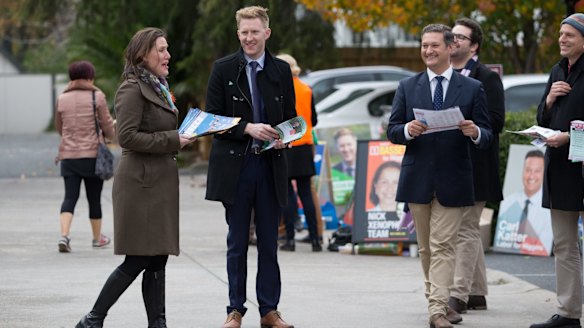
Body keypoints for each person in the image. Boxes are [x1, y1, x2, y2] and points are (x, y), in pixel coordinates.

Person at [75, 27, 196, 328]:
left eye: (168, 49)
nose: (168, 55)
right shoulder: (132, 88)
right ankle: (92, 320)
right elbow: (126, 137)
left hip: (159, 182)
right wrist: (174, 139)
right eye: (162, 50)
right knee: (139, 258)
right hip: (141, 184)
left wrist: (179, 137)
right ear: (143, 54)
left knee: (158, 258)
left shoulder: (158, 87)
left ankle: (158, 323)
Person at [386, 23, 492, 328]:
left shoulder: (472, 88)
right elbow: (392, 130)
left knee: (444, 245)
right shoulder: (408, 86)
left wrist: (474, 132)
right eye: (424, 46)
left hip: (453, 178)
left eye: (434, 45)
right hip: (417, 178)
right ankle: (441, 301)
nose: (428, 51)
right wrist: (407, 129)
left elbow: (487, 135)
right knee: (426, 248)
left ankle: (436, 310)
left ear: (450, 48)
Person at [204, 6, 296, 328]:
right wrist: (246, 128)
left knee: (269, 242)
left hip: (270, 165)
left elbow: (291, 118)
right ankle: (235, 310)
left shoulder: (282, 70)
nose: (249, 38)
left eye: (255, 32)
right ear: (238, 33)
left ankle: (269, 310)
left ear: (266, 33)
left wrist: (286, 136)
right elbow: (211, 119)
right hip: (236, 167)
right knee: (237, 242)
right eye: (244, 32)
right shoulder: (224, 68)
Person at [447, 17, 505, 314]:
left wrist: (464, 123)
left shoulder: (486, 77)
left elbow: (496, 122)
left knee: (466, 230)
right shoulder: (442, 75)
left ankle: (457, 295)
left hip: (477, 166)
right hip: (449, 165)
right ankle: (478, 293)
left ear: (474, 46)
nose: (453, 40)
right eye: (451, 35)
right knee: (464, 229)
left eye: (460, 37)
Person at [529, 13, 584, 328]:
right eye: (561, 34)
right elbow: (542, 118)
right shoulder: (557, 71)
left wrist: (573, 137)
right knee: (564, 244)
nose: (562, 39)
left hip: (582, 167)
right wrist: (549, 100)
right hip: (560, 170)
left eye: (570, 35)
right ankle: (568, 313)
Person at [55, 60, 115, 253]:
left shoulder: (62, 99)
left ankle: (64, 236)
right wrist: (110, 134)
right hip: (92, 156)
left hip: (69, 156)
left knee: (69, 197)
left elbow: (59, 127)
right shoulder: (96, 96)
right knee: (94, 199)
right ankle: (97, 239)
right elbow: (107, 125)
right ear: (90, 77)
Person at [276, 53, 321, 253]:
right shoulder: (306, 89)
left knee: (287, 194)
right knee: (306, 193)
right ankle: (316, 239)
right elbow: (314, 118)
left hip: (287, 144)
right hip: (305, 144)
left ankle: (290, 239)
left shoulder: (280, 89)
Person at [496, 150, 552, 255]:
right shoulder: (508, 202)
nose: (531, 176)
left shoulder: (549, 208)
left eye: (537, 171)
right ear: (522, 171)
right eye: (528, 170)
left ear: (544, 173)